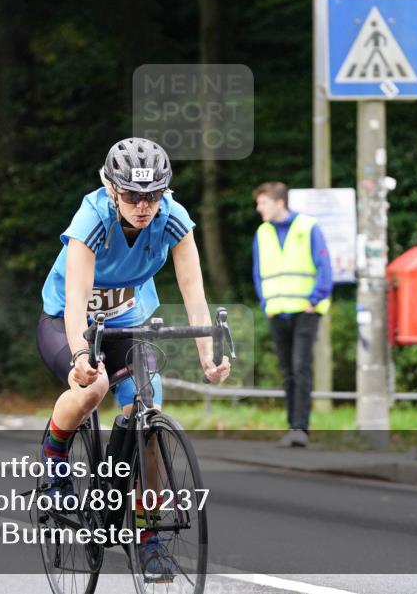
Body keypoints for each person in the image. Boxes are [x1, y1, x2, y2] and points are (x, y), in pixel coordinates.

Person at [37, 137, 231, 583]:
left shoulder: (173, 218)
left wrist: (208, 354)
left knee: (148, 410)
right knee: (93, 388)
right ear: (111, 189)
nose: (143, 206)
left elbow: (192, 290)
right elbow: (74, 300)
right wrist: (83, 354)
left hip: (127, 321)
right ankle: (53, 459)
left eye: (153, 195)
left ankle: (149, 537)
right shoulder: (92, 219)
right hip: (69, 318)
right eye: (132, 195)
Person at [252, 181, 332, 448]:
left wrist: (315, 299)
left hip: (305, 310)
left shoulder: (307, 226)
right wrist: (265, 302)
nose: (258, 208)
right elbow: (258, 271)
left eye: (263, 202)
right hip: (277, 310)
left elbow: (324, 265)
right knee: (287, 371)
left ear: (279, 203)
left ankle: (301, 427)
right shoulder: (262, 232)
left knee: (300, 367)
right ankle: (292, 426)